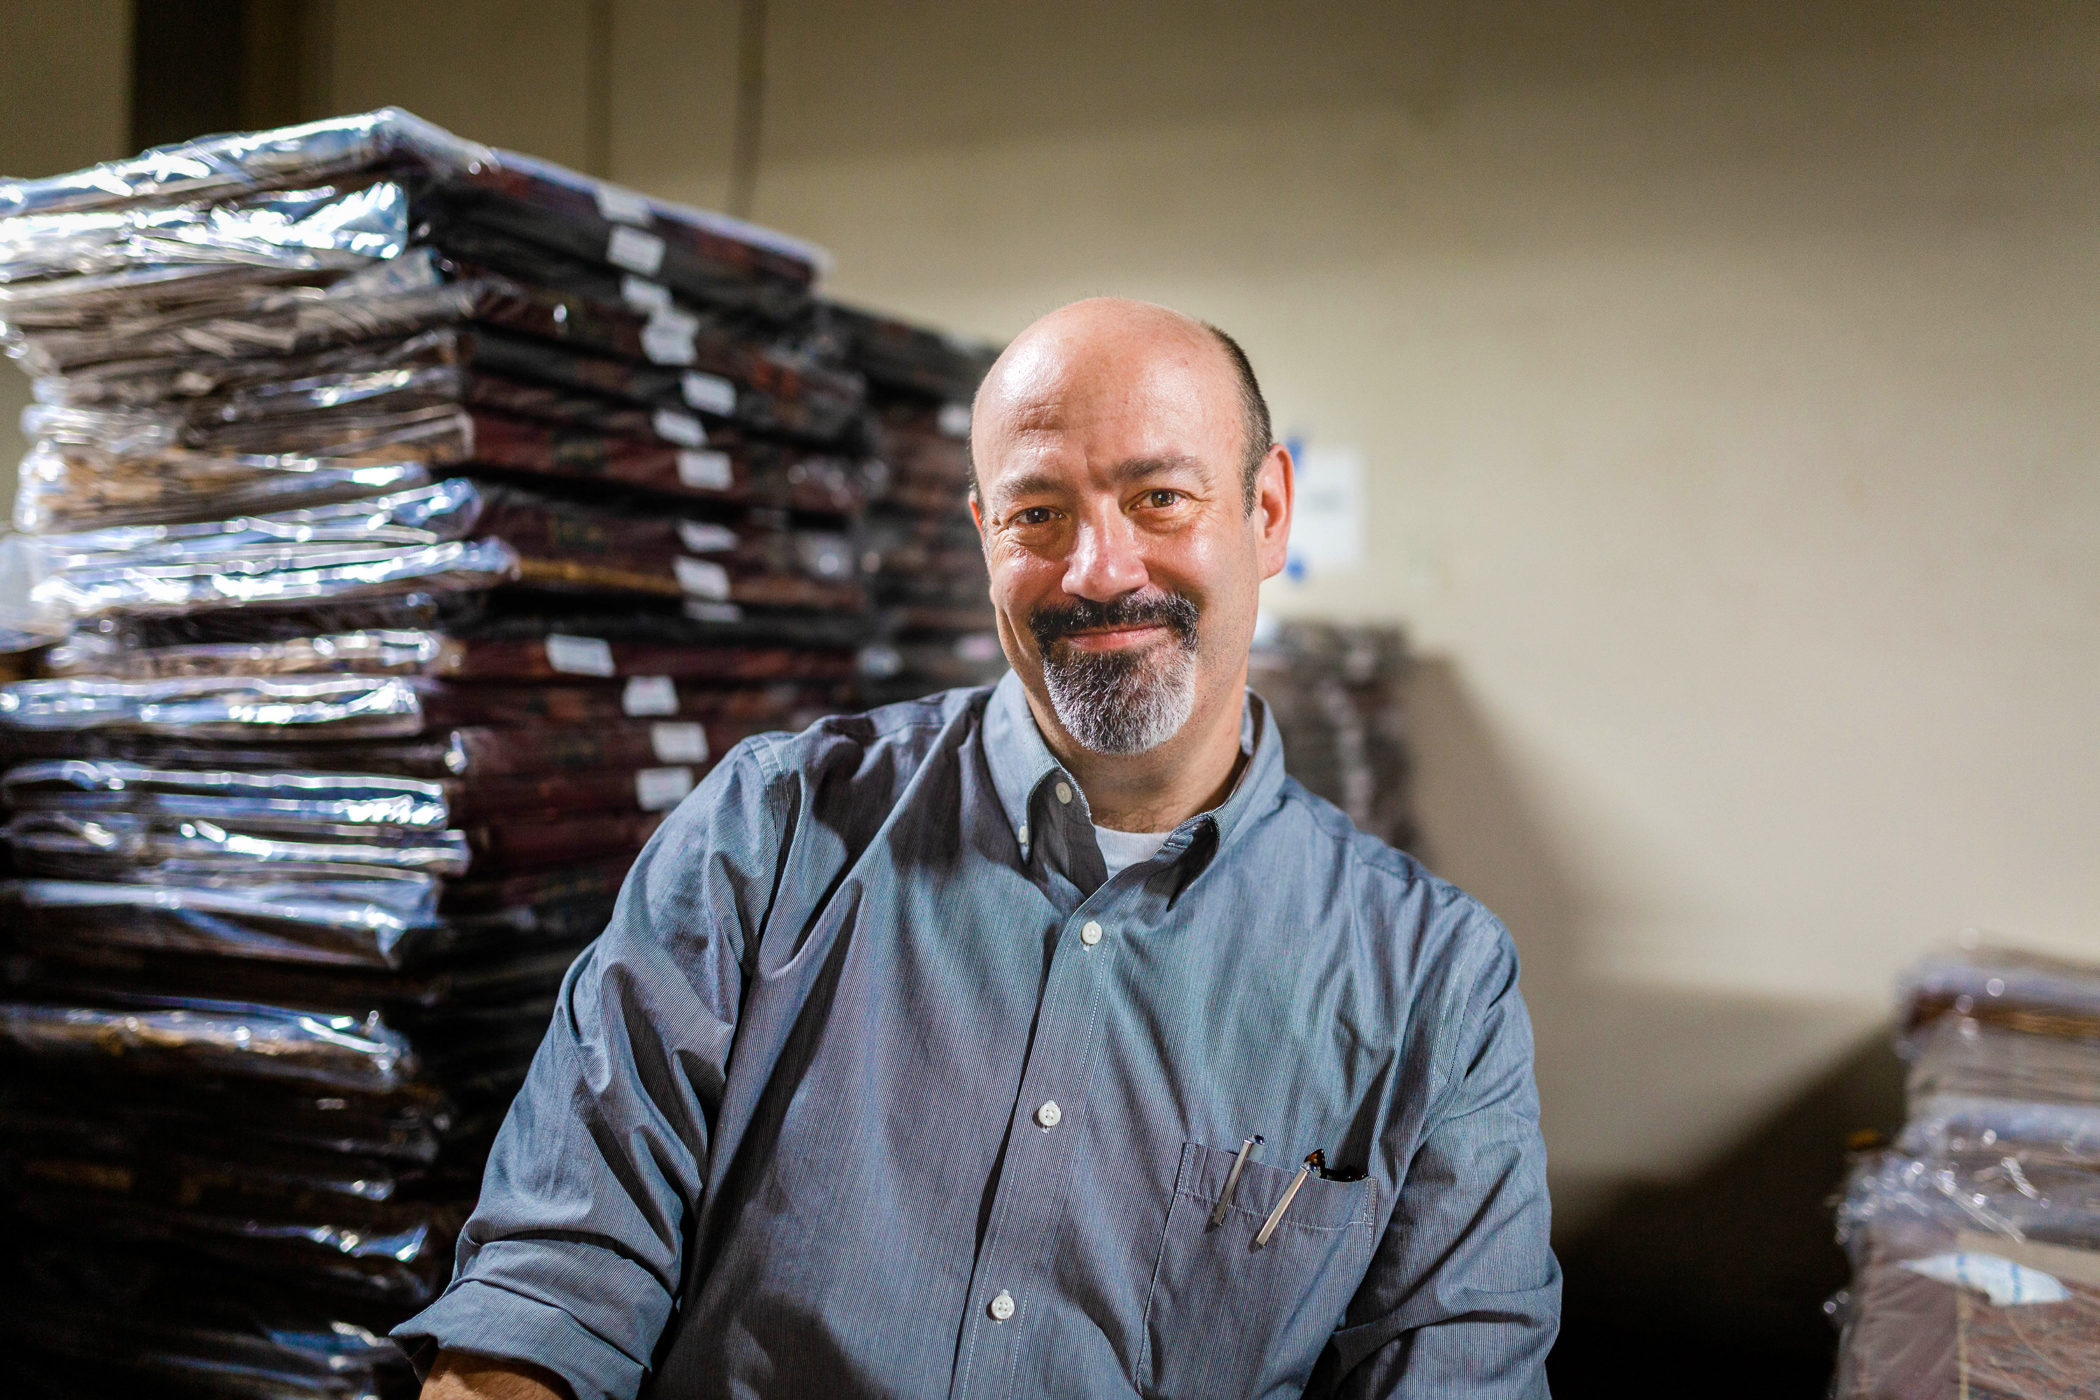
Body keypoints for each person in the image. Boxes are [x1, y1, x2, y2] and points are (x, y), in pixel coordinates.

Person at [396, 297, 1559, 1399]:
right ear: (981, 533)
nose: (1099, 570)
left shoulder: (1431, 984)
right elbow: (553, 1280)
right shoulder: (771, 836)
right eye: (1038, 512)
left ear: (1267, 514)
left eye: (1158, 497)